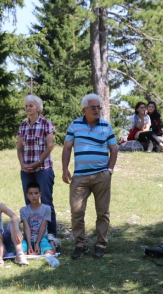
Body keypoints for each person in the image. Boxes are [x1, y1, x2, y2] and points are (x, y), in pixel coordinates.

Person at [62, 93, 118, 260]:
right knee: (76, 211)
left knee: (102, 212)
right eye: (92, 107)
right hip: (79, 177)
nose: (96, 110)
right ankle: (80, 244)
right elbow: (66, 148)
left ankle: (101, 244)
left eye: (98, 107)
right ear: (84, 109)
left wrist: (109, 171)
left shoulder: (106, 126)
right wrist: (65, 170)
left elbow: (114, 149)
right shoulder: (74, 125)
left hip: (102, 175)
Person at [16, 94, 58, 248]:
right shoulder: (22, 126)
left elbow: (50, 146)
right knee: (30, 202)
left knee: (46, 201)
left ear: (38, 108)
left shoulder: (46, 124)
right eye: (26, 106)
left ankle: (51, 234)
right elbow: (19, 148)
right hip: (26, 170)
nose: (28, 108)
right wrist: (22, 164)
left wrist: (37, 162)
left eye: (31, 105)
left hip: (43, 169)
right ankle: (31, 236)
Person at [20, 181, 55, 256]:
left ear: (40, 194)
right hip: (28, 238)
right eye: (31, 193)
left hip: (41, 237)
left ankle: (52, 242)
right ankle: (30, 246)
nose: (34, 196)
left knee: (50, 253)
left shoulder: (47, 208)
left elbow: (43, 226)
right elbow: (26, 228)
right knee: (21, 254)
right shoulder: (23, 210)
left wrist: (37, 243)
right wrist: (29, 245)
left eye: (36, 193)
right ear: (27, 195)